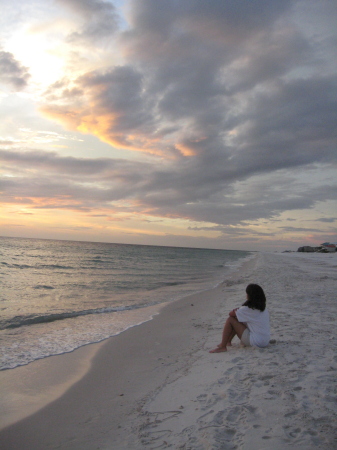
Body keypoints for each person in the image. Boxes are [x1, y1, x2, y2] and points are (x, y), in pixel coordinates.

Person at [209, 284, 270, 353]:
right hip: (265, 341)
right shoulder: (263, 308)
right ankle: (228, 342)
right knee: (239, 319)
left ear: (249, 296)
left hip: (255, 342)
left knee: (231, 319)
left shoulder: (248, 309)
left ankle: (223, 346)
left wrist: (237, 309)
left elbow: (231, 314)